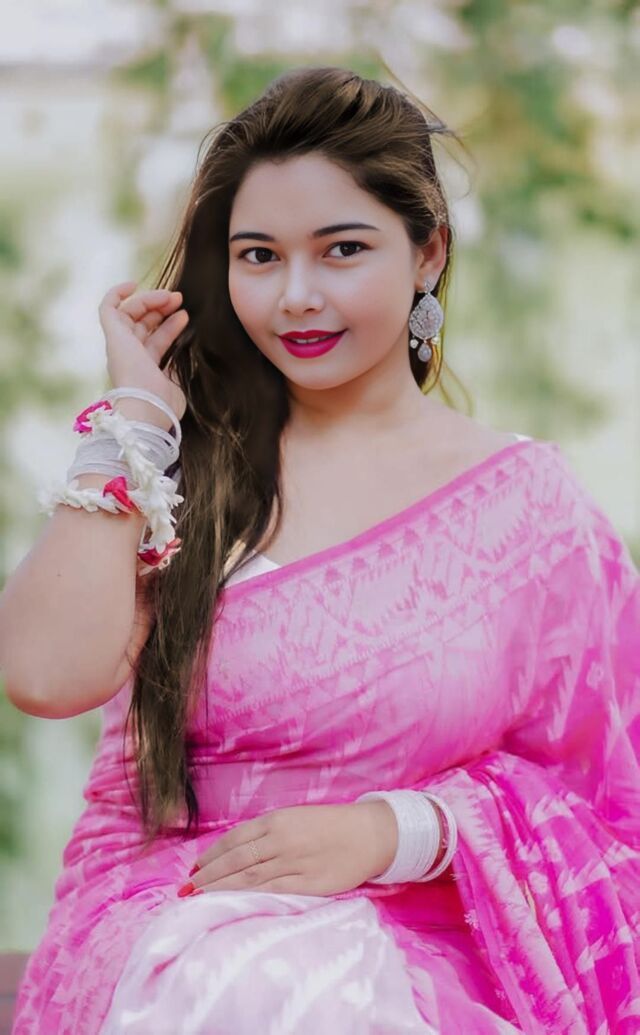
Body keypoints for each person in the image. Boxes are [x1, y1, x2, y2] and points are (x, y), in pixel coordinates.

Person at [1, 65, 638, 1034]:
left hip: (445, 958)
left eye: (342, 250)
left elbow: (610, 800)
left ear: (427, 252)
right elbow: (45, 675)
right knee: (270, 987)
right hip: (187, 945)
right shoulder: (181, 475)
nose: (296, 296)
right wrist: (133, 416)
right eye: (258, 256)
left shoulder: (529, 511)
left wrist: (399, 832)